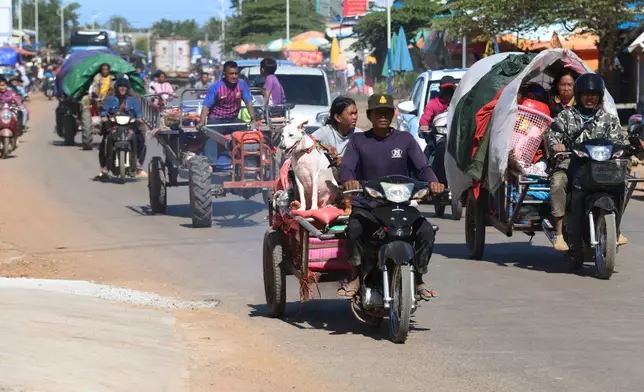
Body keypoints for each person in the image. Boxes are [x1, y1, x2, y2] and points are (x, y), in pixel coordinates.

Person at [338, 94, 445, 300]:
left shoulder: (405, 140)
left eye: (387, 112)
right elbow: (347, 167)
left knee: (426, 231)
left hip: (399, 206)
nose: (383, 116)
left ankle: (419, 278)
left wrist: (433, 182)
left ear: (393, 114)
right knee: (354, 227)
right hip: (368, 205)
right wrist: (350, 181)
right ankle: (355, 276)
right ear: (370, 115)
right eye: (378, 112)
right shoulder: (359, 141)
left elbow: (422, 167)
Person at [548, 72, 628, 251]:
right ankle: (559, 234)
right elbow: (552, 136)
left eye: (594, 94)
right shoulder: (565, 117)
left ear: (599, 97)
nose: (590, 98)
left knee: (623, 181)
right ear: (578, 96)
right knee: (558, 182)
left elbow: (619, 141)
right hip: (572, 161)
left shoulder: (609, 119)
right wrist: (557, 146)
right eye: (586, 94)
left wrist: (628, 147)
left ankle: (617, 228)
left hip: (601, 165)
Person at [198, 61, 256, 166]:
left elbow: (248, 102)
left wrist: (253, 119)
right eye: (231, 74)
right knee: (210, 135)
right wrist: (202, 122)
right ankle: (211, 164)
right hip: (216, 119)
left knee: (247, 134)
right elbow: (206, 106)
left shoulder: (242, 84)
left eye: (236, 73)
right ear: (225, 74)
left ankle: (245, 162)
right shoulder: (216, 87)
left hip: (233, 119)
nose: (234, 76)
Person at [96, 76, 148, 180]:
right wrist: (104, 116)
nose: (122, 89)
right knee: (105, 142)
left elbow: (138, 112)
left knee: (140, 139)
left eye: (124, 87)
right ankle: (106, 167)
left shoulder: (133, 100)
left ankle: (137, 161)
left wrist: (139, 118)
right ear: (117, 88)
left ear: (128, 88)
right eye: (120, 87)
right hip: (114, 125)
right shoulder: (110, 99)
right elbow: (104, 110)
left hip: (130, 126)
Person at [0, 76, 24, 142]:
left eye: (4, 85)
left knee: (16, 119)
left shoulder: (11, 93)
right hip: (0, 111)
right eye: (0, 86)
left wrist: (20, 105)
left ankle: (16, 133)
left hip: (10, 111)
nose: (2, 87)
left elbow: (17, 100)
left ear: (6, 85)